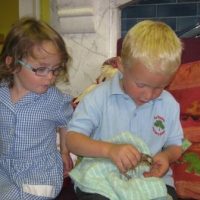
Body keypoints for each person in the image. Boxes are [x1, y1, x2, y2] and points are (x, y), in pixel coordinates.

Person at [66, 20, 184, 200]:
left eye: (160, 87)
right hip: (102, 180)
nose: (148, 95)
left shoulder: (168, 104)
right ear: (121, 66)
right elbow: (72, 140)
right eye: (141, 85)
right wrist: (108, 150)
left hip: (150, 181)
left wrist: (167, 156)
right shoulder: (98, 97)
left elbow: (176, 145)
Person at [0, 17, 74, 199]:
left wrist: (65, 152)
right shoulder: (1, 91)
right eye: (41, 69)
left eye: (55, 69)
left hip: (39, 171)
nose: (50, 77)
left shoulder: (54, 99)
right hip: (4, 167)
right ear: (12, 64)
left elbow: (67, 122)